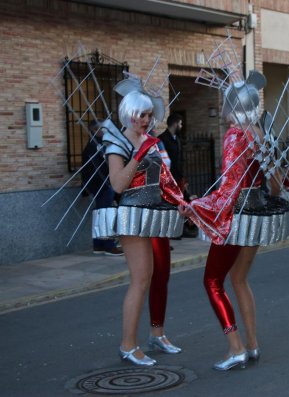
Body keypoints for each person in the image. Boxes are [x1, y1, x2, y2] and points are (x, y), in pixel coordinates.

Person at [180, 71, 289, 371]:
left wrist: (196, 205)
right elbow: (277, 183)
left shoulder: (234, 136)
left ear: (230, 107)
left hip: (237, 218)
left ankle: (236, 347)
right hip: (256, 213)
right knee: (239, 279)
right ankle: (252, 345)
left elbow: (229, 189)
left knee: (212, 281)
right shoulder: (260, 134)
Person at [94, 76, 187, 366]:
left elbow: (164, 180)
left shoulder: (151, 140)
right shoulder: (116, 141)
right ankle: (127, 345)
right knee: (140, 280)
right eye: (142, 114)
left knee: (155, 276)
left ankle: (152, 336)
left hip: (154, 213)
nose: (146, 120)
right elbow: (118, 185)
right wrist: (139, 154)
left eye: (149, 115)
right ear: (129, 113)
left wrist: (181, 202)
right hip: (132, 216)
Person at [81, 121, 123, 256]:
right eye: (101, 128)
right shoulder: (93, 147)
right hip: (102, 185)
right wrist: (108, 182)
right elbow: (95, 168)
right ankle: (108, 245)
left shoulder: (100, 144)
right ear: (94, 130)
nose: (104, 130)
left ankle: (98, 244)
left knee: (101, 214)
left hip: (103, 184)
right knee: (105, 214)